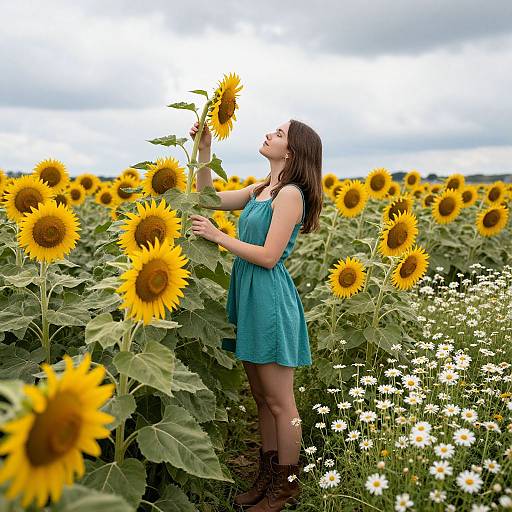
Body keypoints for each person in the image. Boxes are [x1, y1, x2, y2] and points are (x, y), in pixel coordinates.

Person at [190, 118, 323, 511]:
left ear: (292, 152)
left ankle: (287, 484)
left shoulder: (291, 196)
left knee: (282, 401)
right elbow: (207, 199)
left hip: (268, 299)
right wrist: (204, 149)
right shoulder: (263, 189)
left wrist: (217, 236)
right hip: (248, 296)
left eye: (279, 134)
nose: (269, 134)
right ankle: (265, 476)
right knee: (262, 398)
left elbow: (267, 256)